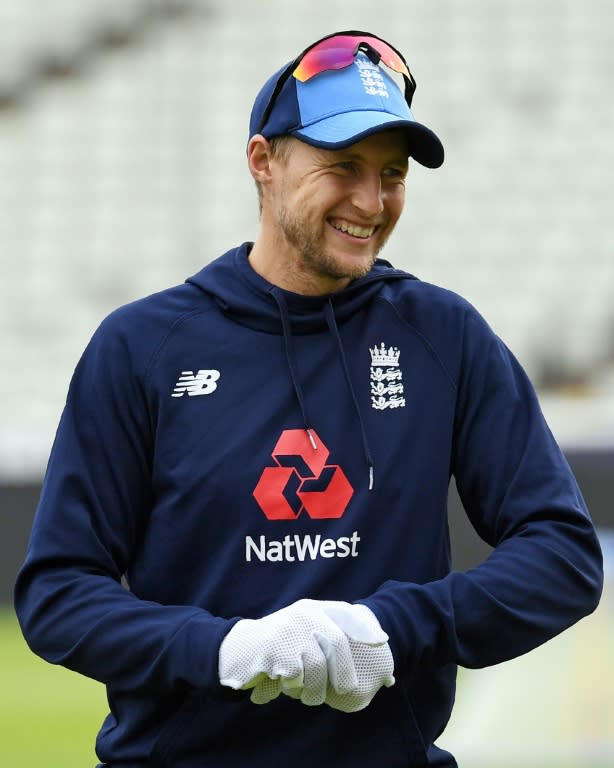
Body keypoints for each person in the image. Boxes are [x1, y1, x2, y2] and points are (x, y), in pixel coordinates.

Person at [14, 30, 603, 768]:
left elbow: (564, 559)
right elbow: (59, 595)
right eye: (342, 166)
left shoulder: (443, 335)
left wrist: (389, 629)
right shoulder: (141, 346)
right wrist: (225, 649)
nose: (371, 200)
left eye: (392, 173)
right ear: (263, 162)